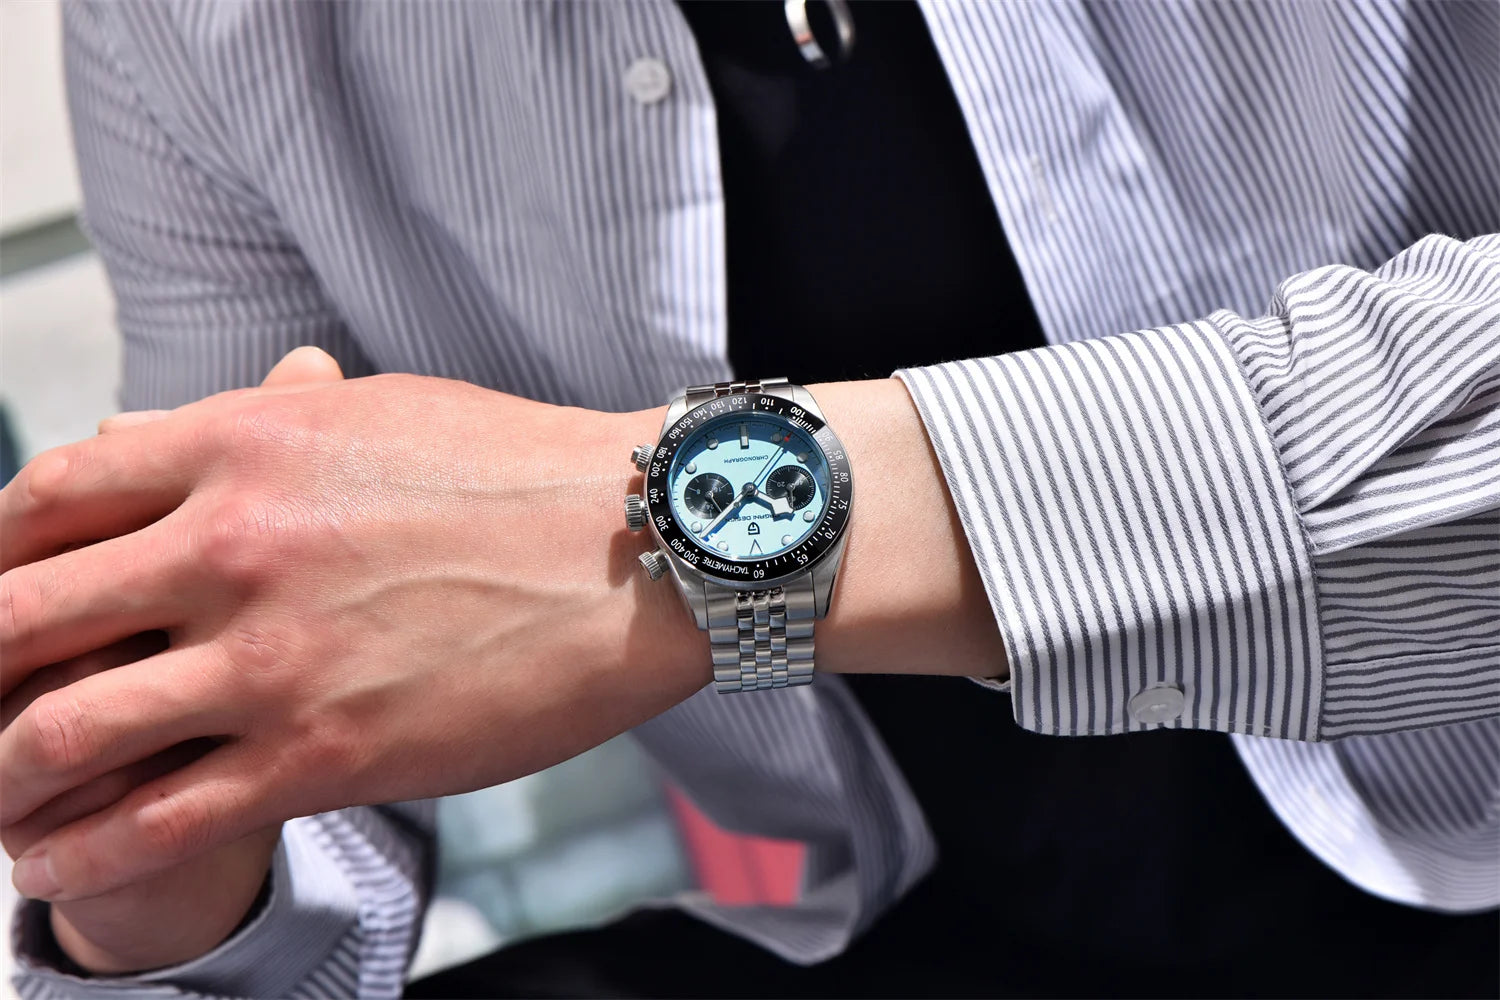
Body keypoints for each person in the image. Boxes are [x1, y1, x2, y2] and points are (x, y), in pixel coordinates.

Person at [3, 0, 1497, 996]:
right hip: (923, 927)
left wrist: (646, 550)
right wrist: (143, 869)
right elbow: (277, 653)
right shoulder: (186, 29)